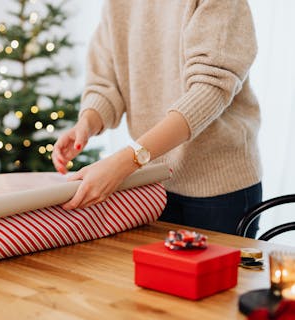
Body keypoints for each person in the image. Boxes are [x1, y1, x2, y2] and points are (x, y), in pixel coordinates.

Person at [52, 0, 262, 238]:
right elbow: (105, 82)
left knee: (215, 276)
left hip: (219, 191)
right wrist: (86, 124)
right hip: (154, 185)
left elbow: (209, 90)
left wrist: (127, 160)